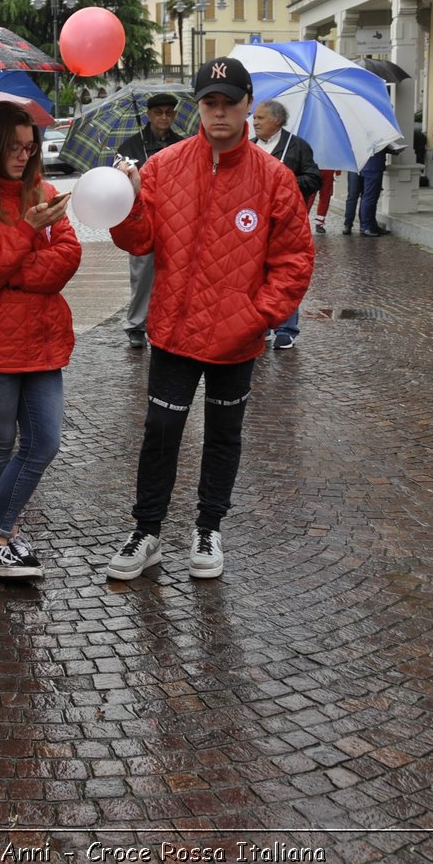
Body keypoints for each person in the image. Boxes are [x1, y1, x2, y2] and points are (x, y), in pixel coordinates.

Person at [105, 58, 314, 582]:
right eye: (209, 102)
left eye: (230, 103)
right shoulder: (163, 165)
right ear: (198, 106)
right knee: (160, 431)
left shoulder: (275, 178)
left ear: (248, 105)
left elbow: (293, 259)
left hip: (236, 338)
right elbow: (138, 241)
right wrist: (126, 203)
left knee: (224, 434)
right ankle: (147, 530)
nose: (219, 113)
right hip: (175, 330)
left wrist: (257, 315)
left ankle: (208, 527)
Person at [0, 102, 80, 581]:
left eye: (30, 147)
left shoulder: (43, 189)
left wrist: (16, 276)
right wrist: (28, 230)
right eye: (15, 147)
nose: (24, 156)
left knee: (44, 442)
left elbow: (68, 255)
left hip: (42, 337)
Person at [115, 93, 187, 350]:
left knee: (177, 273)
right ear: (149, 115)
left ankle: (170, 321)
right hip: (144, 216)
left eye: (169, 113)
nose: (164, 118)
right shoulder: (130, 147)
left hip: (177, 216)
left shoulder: (184, 144)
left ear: (175, 115)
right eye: (159, 113)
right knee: (143, 273)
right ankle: (136, 324)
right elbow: (118, 182)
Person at [250, 99, 322, 349]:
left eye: (260, 118)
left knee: (285, 271)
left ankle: (286, 327)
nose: (254, 122)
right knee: (256, 273)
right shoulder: (249, 147)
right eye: (254, 117)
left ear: (277, 120)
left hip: (286, 222)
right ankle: (262, 324)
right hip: (254, 223)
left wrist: (286, 182)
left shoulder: (298, 147)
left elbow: (314, 179)